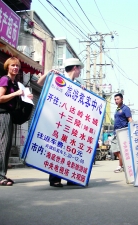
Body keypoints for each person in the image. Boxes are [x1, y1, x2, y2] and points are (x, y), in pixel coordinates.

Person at [37, 58, 85, 187]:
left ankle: (71, 178)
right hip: (58, 120)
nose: (80, 71)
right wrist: (48, 73)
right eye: (79, 68)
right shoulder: (58, 77)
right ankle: (55, 178)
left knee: (70, 150)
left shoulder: (77, 84)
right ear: (75, 68)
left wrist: (83, 92)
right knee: (57, 149)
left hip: (71, 122)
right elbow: (39, 83)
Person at [0, 57, 33, 186]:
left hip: (8, 115)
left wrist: (26, 96)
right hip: (1, 114)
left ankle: (2, 174)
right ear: (7, 67)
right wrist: (16, 93)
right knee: (3, 145)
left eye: (17, 66)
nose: (15, 68)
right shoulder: (5, 80)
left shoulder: (15, 82)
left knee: (7, 145)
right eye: (12, 66)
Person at [111, 93, 133, 173]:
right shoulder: (117, 110)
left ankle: (120, 166)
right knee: (114, 150)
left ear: (122, 99)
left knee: (119, 150)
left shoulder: (125, 108)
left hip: (123, 132)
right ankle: (123, 165)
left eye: (117, 99)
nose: (116, 101)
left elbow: (130, 120)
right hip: (116, 132)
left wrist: (131, 130)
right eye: (115, 99)